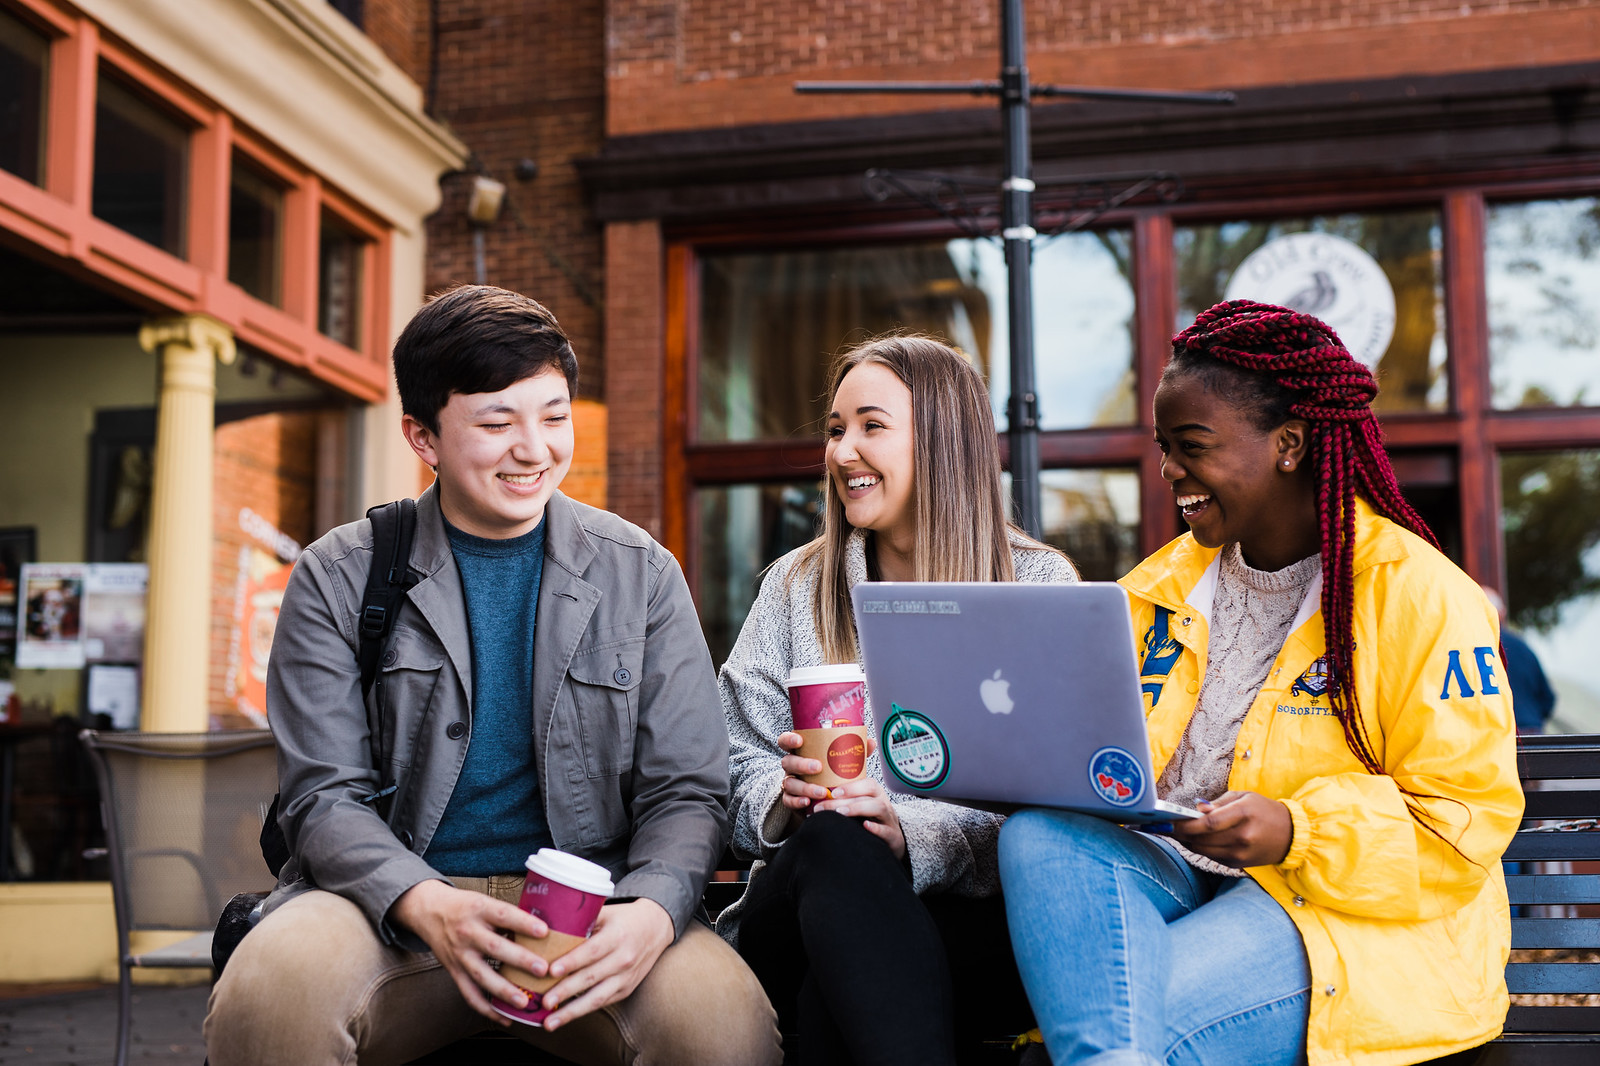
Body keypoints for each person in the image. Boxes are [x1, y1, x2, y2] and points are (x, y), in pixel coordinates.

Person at [205, 285, 780, 1066]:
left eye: (553, 416)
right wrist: (424, 901)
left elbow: (687, 790)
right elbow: (322, 797)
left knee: (719, 1025)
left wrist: (652, 908)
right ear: (424, 436)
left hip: (596, 910)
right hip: (388, 913)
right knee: (268, 998)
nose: (535, 448)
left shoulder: (641, 572)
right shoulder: (336, 575)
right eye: (497, 421)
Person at [997, 300, 1524, 1066]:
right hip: (1176, 876)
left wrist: (1295, 830)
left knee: (1128, 1035)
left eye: (1193, 446)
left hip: (1332, 915)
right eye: (1164, 447)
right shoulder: (1156, 587)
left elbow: (1463, 823)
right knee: (1041, 834)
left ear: (1288, 444)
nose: (1170, 469)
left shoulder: (1418, 593)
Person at [717, 334, 1078, 1066]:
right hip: (797, 898)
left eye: (871, 426)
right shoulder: (796, 585)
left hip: (968, 920)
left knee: (837, 992)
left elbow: (1054, 805)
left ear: (943, 442)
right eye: (835, 429)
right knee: (837, 841)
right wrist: (786, 799)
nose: (842, 450)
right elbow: (729, 761)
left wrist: (909, 834)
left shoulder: (1039, 589)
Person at [1482, 585, 1557, 733]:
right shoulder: (1523, 647)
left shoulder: (1473, 647)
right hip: (1533, 733)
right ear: (1502, 613)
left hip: (1499, 735)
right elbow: (1548, 699)